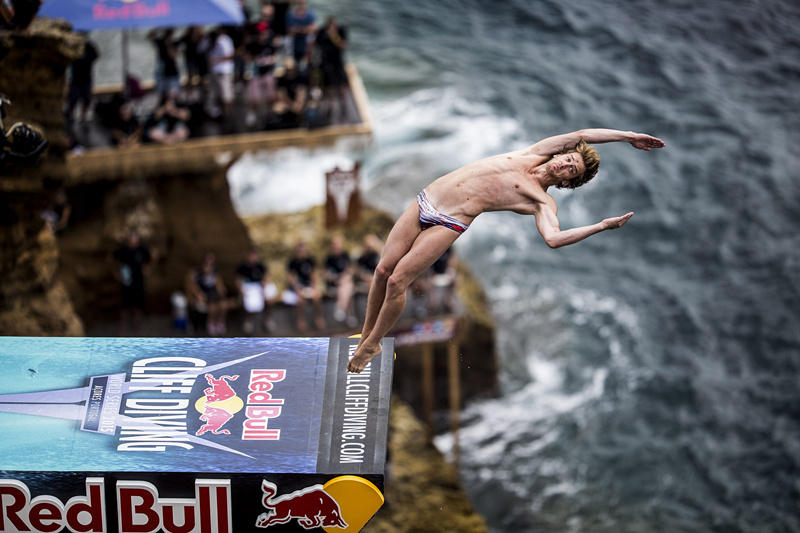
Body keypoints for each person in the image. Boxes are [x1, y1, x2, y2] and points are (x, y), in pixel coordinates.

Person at [347, 128, 666, 372]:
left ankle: (373, 343)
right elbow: (583, 134)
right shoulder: (534, 153)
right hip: (427, 199)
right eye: (569, 159)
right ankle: (366, 336)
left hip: (450, 221)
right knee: (382, 270)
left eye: (572, 170)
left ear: (568, 183)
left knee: (397, 282)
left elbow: (554, 238)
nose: (566, 164)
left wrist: (601, 226)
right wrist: (629, 137)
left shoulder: (541, 201)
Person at [111, 229, 151, 335]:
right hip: (126, 283)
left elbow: (150, 259)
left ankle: (138, 329)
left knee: (138, 307)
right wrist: (116, 274)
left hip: (139, 282)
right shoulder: (122, 250)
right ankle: (123, 328)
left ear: (138, 239)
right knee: (124, 307)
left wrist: (147, 270)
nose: (133, 239)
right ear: (128, 239)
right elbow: (111, 260)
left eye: (135, 237)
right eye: (131, 237)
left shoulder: (142, 250)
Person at [315, 16, 350, 124]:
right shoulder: (322, 32)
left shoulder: (340, 31)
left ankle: (344, 107)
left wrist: (333, 36)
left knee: (342, 86)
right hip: (326, 63)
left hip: (337, 63)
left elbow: (342, 45)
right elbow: (317, 45)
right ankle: (329, 108)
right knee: (327, 88)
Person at [236, 248, 278, 334]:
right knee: (248, 303)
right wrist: (241, 290)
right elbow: (238, 281)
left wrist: (264, 288)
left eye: (254, 255)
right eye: (251, 255)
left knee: (270, 298)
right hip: (248, 288)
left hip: (259, 287)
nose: (253, 258)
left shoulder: (260, 266)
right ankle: (248, 321)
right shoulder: (242, 267)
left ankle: (267, 319)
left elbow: (266, 278)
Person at [286, 242, 325, 331]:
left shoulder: (310, 261)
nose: (301, 253)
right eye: (299, 251)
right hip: (297, 288)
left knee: (317, 297)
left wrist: (315, 288)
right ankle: (301, 320)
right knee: (300, 300)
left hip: (308, 287)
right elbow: (292, 279)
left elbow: (314, 276)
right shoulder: (292, 263)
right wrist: (298, 290)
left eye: (303, 251)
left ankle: (318, 318)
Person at [188, 252, 227, 335]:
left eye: (211, 264)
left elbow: (219, 285)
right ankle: (211, 323)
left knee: (223, 305)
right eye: (207, 263)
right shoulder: (198, 273)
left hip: (213, 293)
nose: (209, 266)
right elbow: (193, 286)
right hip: (204, 294)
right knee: (212, 307)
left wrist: (221, 290)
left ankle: (220, 322)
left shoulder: (215, 272)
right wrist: (198, 295)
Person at [66, 33, 99, 124]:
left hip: (86, 78)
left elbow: (96, 56)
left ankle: (83, 117)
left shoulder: (89, 46)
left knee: (86, 99)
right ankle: (71, 116)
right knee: (73, 99)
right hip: (75, 79)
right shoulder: (74, 46)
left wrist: (87, 60)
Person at [324, 235, 356, 326]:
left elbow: (350, 271)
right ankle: (350, 315)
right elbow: (326, 275)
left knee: (346, 285)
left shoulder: (345, 256)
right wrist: (336, 279)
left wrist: (344, 278)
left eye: (337, 244)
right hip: (334, 283)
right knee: (348, 288)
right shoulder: (329, 258)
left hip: (344, 282)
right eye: (334, 244)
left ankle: (340, 308)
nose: (336, 246)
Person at [285, 0, 316, 65]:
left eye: (302, 3)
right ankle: (290, 59)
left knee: (311, 37)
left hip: (305, 41)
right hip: (294, 41)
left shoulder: (310, 15)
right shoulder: (291, 15)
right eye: (299, 3)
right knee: (287, 39)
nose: (300, 5)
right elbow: (290, 30)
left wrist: (299, 29)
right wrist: (304, 29)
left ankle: (308, 58)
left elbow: (313, 28)